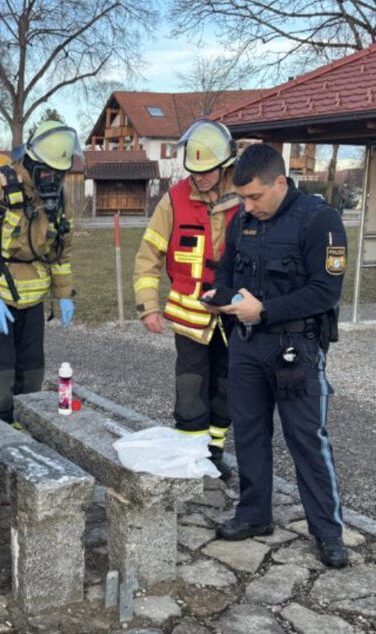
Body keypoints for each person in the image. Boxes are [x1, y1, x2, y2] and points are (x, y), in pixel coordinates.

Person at [207, 143, 348, 568]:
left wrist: (264, 310)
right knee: (248, 433)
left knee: (306, 440)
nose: (248, 206)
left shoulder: (319, 221)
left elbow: (326, 291)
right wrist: (219, 295)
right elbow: (226, 270)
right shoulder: (242, 221)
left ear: (281, 183)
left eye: (255, 197)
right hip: (247, 345)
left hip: (296, 348)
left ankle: (328, 532)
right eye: (243, 197)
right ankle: (254, 515)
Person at [133, 119, 241, 479]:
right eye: (194, 171)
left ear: (225, 165)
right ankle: (189, 455)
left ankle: (214, 451)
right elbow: (148, 256)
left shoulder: (245, 195)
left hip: (234, 313)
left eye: (207, 170)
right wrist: (148, 306)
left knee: (226, 384)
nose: (200, 178)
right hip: (190, 314)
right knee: (191, 384)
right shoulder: (174, 199)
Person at [0, 121, 78, 428]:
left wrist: (63, 296)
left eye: (59, 173)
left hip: (33, 302)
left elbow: (60, 254)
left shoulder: (56, 198)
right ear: (30, 161)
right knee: (0, 379)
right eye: (47, 172)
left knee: (32, 375)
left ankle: (27, 434)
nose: (53, 180)